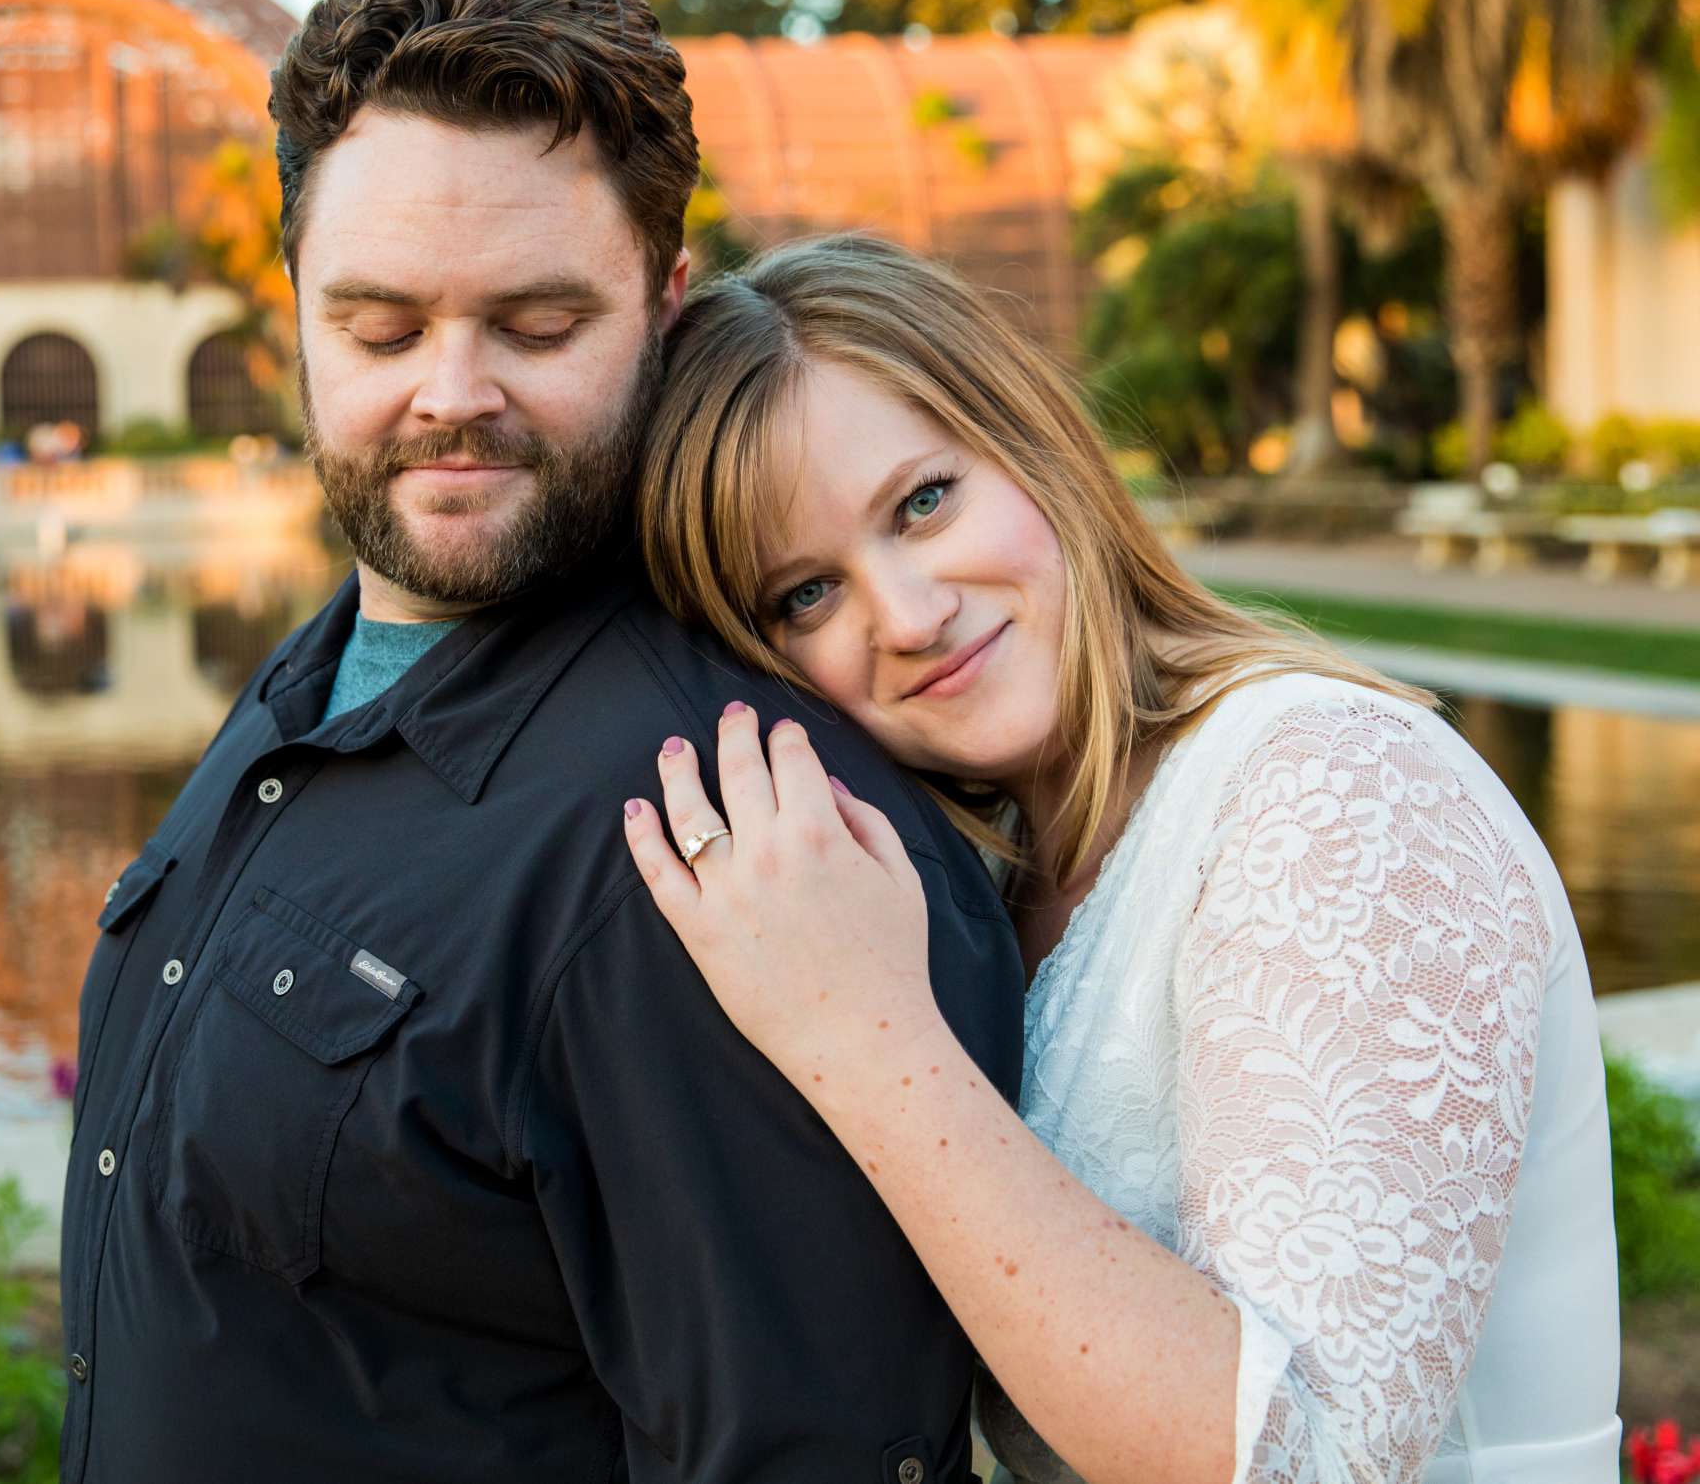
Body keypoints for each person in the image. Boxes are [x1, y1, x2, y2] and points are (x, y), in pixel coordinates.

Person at [57, 0, 1024, 1483]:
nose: (450, 392)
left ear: (665, 301)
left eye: (538, 324)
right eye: (378, 329)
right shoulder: (313, 687)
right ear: (294, 306)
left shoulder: (724, 839)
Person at [620, 233, 1621, 1484]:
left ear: (1035, 443)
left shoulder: (1336, 790)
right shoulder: (989, 876)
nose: (910, 615)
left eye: (924, 501)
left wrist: (862, 1039)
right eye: (805, 596)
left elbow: (1305, 1466)